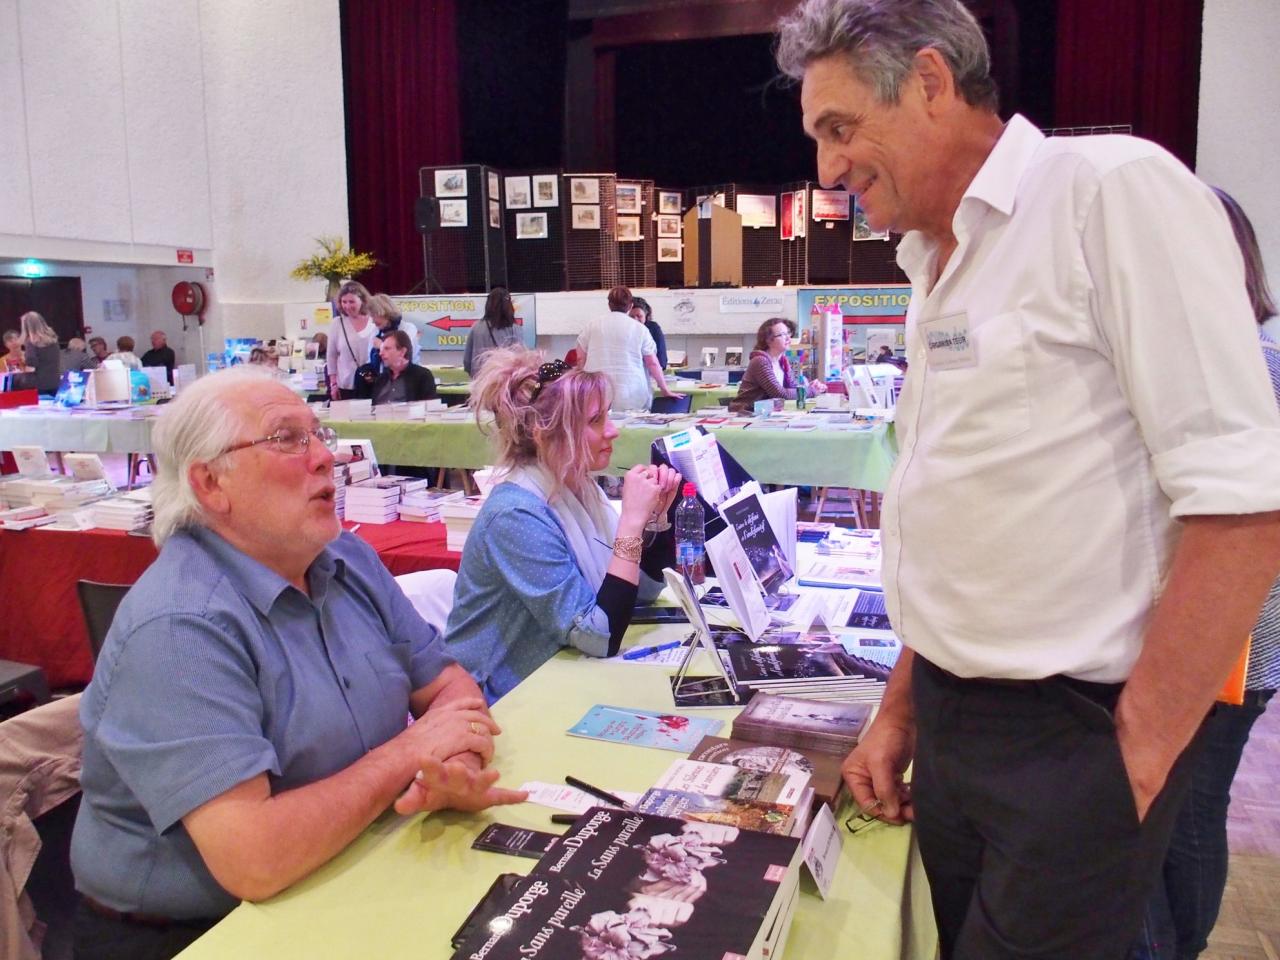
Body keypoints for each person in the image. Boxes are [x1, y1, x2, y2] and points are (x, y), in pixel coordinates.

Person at [774, 2, 1280, 958]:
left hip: (1075, 739)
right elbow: (970, 523)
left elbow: (1243, 507)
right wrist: (900, 710)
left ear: (929, 82)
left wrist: (1131, 762)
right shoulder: (934, 259)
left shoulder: (1107, 191)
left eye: (839, 130)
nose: (827, 169)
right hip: (957, 729)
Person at [70, 366, 524, 959]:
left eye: (319, 435)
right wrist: (411, 752)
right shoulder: (181, 626)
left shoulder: (344, 556)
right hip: (196, 934)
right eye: (286, 439)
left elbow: (449, 687)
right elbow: (253, 859)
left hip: (348, 863)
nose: (323, 459)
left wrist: (453, 765)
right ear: (210, 485)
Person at [1134, 189, 1280, 960]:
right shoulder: (1258, 365)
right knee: (1192, 816)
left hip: (1220, 643)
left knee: (1175, 825)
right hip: (1236, 644)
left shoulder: (1240, 370)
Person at [444, 347, 681, 702]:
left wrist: (656, 521)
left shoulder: (579, 488)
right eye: (596, 420)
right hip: (499, 702)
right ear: (546, 434)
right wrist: (631, 524)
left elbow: (642, 592)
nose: (613, 431)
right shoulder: (516, 515)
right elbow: (599, 635)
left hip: (559, 674)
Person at [575, 285, 676, 411]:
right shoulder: (640, 329)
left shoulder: (591, 326)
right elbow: (653, 363)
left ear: (609, 305)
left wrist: (579, 386)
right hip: (632, 391)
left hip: (596, 390)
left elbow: (580, 359)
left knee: (598, 426)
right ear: (630, 306)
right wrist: (664, 389)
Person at [731, 318, 826, 411]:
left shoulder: (783, 361)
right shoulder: (760, 361)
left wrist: (808, 386)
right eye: (782, 335)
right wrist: (811, 391)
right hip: (746, 413)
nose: (788, 338)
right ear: (768, 340)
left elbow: (792, 388)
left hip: (766, 412)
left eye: (788, 333)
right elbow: (780, 394)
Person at [327, 281, 376, 400]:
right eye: (344, 302)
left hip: (371, 383)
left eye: (351, 301)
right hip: (346, 385)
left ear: (362, 301)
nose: (347, 306)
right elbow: (331, 356)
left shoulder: (374, 322)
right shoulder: (337, 324)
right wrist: (333, 384)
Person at [463, 287, 521, 376]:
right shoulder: (516, 329)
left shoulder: (476, 327)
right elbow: (520, 361)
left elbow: (467, 361)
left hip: (481, 383)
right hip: (505, 382)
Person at [372, 329, 436, 405]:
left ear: (402, 351)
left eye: (387, 349)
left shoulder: (422, 376)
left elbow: (430, 408)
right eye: (380, 350)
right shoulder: (381, 378)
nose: (381, 354)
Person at [367, 293, 420, 374]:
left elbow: (405, 355)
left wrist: (381, 346)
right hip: (381, 381)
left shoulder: (408, 328)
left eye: (374, 316)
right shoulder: (375, 331)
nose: (373, 321)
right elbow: (369, 359)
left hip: (407, 378)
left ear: (384, 312)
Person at [19, 311, 60, 395]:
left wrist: (24, 359)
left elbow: (31, 363)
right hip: (54, 381)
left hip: (38, 383)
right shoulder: (53, 339)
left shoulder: (31, 342)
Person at [629, 296, 668, 371]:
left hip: (651, 373)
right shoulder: (624, 330)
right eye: (631, 316)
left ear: (646, 316)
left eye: (639, 316)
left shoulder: (653, 328)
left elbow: (662, 360)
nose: (635, 320)